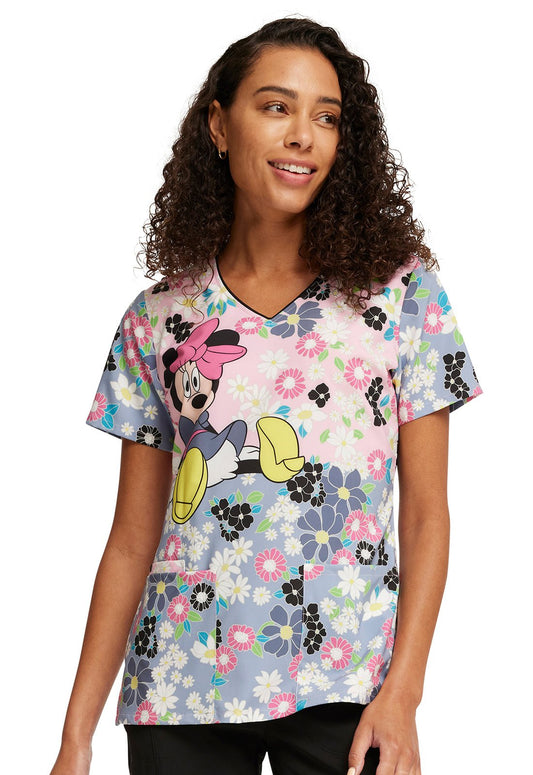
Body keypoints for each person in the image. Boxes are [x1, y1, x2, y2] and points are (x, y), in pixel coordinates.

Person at [50, 17, 481, 775]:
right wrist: (74, 736)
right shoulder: (159, 318)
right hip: (180, 690)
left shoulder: (402, 295)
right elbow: (130, 540)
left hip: (347, 688)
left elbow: (425, 515)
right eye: (276, 106)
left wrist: (403, 696)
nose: (302, 136)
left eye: (327, 117)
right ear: (219, 125)